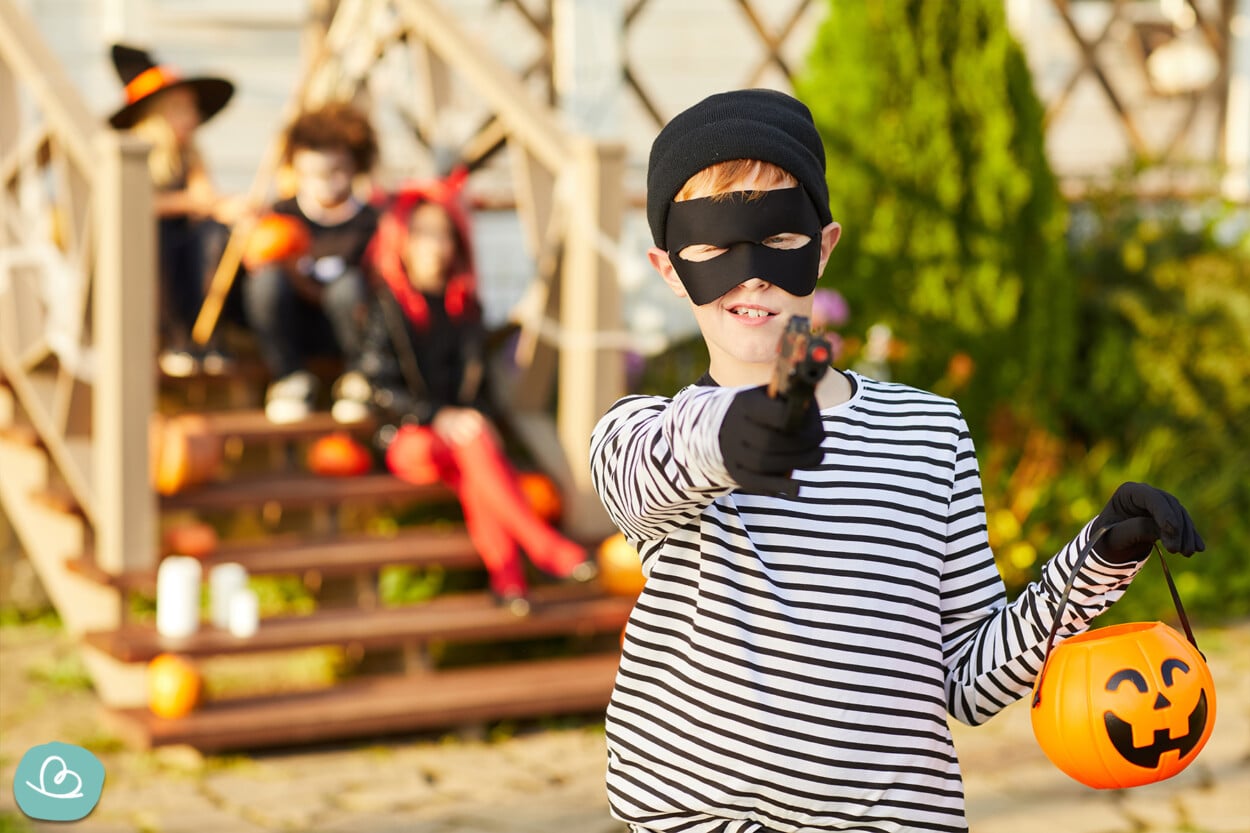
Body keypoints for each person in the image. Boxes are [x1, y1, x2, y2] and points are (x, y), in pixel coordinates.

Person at [588, 88, 1206, 833]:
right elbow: (638, 470)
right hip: (704, 818)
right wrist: (729, 436)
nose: (750, 274)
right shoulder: (652, 436)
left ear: (822, 245)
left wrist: (1100, 557)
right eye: (715, 248)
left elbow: (967, 677)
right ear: (666, 266)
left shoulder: (927, 431)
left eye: (779, 240)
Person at [341, 173, 596, 614]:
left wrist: (475, 422)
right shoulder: (385, 305)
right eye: (423, 234)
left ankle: (510, 585)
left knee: (475, 469)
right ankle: (544, 547)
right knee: (472, 445)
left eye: (444, 235)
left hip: (459, 442)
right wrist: (439, 416)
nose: (435, 246)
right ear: (402, 238)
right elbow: (378, 386)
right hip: (407, 437)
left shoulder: (466, 305)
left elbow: (477, 388)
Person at [108, 43, 240, 377]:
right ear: (158, 114)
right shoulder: (136, 154)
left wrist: (231, 208)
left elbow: (204, 197)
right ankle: (175, 339)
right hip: (153, 254)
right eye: (182, 109)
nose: (192, 119)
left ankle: (206, 337)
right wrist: (189, 203)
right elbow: (135, 205)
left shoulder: (190, 155)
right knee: (159, 240)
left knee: (214, 236)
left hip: (189, 250)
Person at [244, 102, 380, 424]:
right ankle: (289, 378)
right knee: (265, 281)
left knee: (348, 287)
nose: (325, 182)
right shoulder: (280, 215)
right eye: (313, 173)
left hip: (344, 330)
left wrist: (301, 279)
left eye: (336, 171)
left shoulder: (371, 224)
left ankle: (359, 379)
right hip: (292, 329)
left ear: (355, 167)